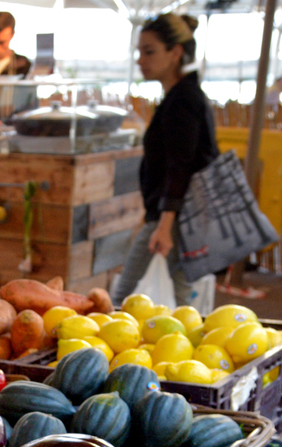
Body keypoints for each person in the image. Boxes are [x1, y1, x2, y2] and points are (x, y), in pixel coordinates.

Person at [111, 14, 218, 307]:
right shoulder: (183, 96)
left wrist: (164, 224)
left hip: (176, 217)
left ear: (175, 52)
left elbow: (180, 166)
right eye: (139, 52)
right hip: (184, 217)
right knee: (181, 300)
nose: (140, 61)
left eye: (149, 52)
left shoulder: (183, 100)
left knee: (122, 300)